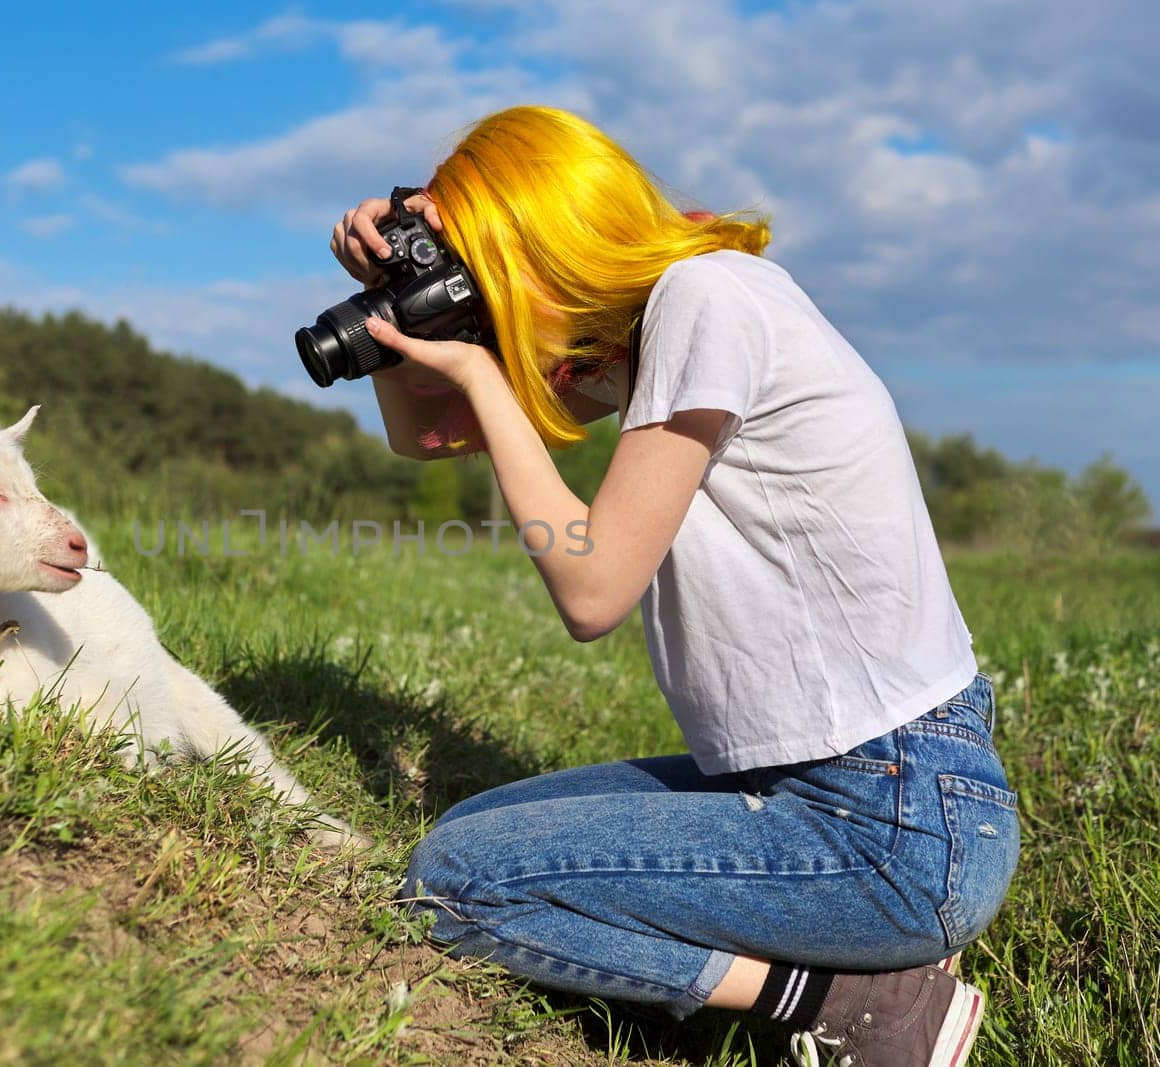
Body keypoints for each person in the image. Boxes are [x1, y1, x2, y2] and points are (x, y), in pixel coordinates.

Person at [329, 106, 1017, 1067]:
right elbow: (428, 436)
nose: (475, 296)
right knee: (475, 831)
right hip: (833, 786)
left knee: (457, 879)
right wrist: (394, 314)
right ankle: (843, 962)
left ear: (545, 232)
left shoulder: (706, 299)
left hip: (894, 819)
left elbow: (593, 588)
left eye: (482, 266)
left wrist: (482, 374)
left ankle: (856, 1001)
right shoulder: (648, 339)